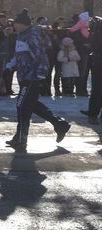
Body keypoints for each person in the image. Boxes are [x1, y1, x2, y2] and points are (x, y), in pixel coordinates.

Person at [6, 9, 71, 151]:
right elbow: (20, 55)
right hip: (24, 76)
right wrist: (11, 64)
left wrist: (39, 74)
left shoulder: (32, 36)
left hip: (32, 77)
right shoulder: (20, 36)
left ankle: (21, 139)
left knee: (22, 105)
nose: (13, 26)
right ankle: (60, 125)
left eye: (15, 23)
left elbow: (39, 56)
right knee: (30, 104)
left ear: (22, 24)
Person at [81, 16, 102, 124]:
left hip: (99, 61)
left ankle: (93, 112)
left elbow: (95, 44)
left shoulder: (98, 29)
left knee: (97, 88)